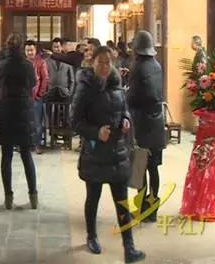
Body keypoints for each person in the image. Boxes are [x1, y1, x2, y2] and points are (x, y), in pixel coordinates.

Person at [71, 47, 145, 262]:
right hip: (95, 153)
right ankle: (91, 236)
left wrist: (126, 119)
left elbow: (124, 109)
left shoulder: (116, 83)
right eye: (100, 62)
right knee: (93, 198)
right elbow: (74, 121)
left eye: (108, 62)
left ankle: (129, 247)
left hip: (117, 151)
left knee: (122, 201)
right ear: (92, 62)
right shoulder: (85, 87)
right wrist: (96, 132)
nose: (104, 66)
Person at [0, 34, 38, 210]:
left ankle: (8, 198)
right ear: (21, 47)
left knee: (6, 156)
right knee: (26, 155)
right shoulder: (27, 65)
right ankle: (33, 196)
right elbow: (33, 83)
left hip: (7, 110)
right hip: (23, 110)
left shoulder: (2, 65)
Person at [126, 30, 165, 223]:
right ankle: (153, 209)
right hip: (157, 122)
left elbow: (133, 97)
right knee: (153, 167)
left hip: (141, 123)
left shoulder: (137, 67)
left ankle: (141, 208)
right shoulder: (157, 65)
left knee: (140, 167)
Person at [25, 40, 49, 154]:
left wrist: (40, 94)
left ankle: (37, 145)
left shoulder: (41, 62)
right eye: (27, 50)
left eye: (31, 50)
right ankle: (26, 144)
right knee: (24, 122)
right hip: (23, 97)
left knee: (37, 123)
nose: (30, 52)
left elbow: (45, 79)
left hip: (35, 97)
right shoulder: (22, 62)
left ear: (35, 50)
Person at [45, 37, 75, 103]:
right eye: (55, 47)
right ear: (52, 48)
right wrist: (46, 91)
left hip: (64, 92)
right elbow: (44, 77)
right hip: (50, 92)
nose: (57, 49)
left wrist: (70, 92)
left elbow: (72, 79)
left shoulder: (68, 60)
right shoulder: (46, 61)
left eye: (58, 47)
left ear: (61, 47)